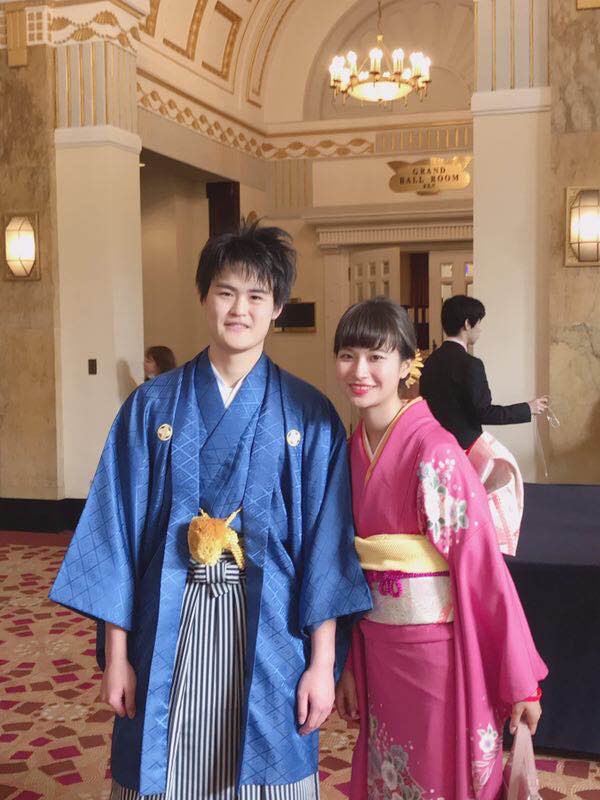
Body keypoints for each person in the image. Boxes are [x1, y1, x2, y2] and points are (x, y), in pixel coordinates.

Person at [50, 221, 371, 800]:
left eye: (256, 296)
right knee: (165, 765)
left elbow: (327, 550)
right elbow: (116, 534)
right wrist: (116, 657)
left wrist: (323, 664)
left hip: (271, 631)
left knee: (268, 766)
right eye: (226, 292)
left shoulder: (309, 414)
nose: (239, 310)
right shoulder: (151, 407)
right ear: (204, 297)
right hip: (166, 625)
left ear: (277, 308)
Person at [333, 297, 547, 800]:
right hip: (377, 649)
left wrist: (519, 679)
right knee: (388, 778)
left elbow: (481, 569)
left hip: (433, 656)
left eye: (376, 356)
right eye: (347, 355)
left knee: (434, 779)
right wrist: (347, 661)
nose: (359, 370)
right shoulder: (351, 449)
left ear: (407, 364)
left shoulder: (435, 451)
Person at [420, 295, 548, 451]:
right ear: (467, 324)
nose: (480, 329)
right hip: (464, 450)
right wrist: (528, 408)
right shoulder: (471, 364)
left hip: (433, 447)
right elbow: (485, 413)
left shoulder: (430, 362)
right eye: (479, 323)